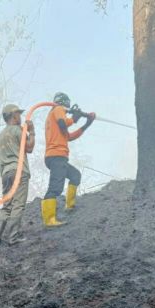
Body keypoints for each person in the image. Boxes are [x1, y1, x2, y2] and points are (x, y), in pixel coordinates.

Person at [41, 92, 95, 226]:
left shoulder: (54, 119)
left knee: (75, 176)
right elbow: (63, 123)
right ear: (64, 102)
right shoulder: (57, 109)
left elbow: (69, 136)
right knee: (55, 188)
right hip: (57, 156)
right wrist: (75, 119)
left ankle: (70, 206)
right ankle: (49, 220)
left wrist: (86, 124)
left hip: (57, 157)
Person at [0, 103, 35, 247]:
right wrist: (32, 132)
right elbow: (29, 148)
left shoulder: (0, 137)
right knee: (18, 204)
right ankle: (13, 237)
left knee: (7, 205)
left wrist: (3, 176)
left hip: (5, 174)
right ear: (13, 115)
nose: (20, 116)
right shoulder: (18, 130)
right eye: (18, 114)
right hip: (19, 171)